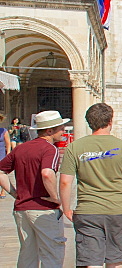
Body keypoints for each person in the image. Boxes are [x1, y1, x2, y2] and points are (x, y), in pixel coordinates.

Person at [60, 103, 122, 268]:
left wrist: (66, 207)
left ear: (89, 122)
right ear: (110, 121)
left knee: (91, 261)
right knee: (115, 260)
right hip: (117, 210)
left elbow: (65, 181)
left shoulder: (74, 148)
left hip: (88, 211)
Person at [0, 110, 68, 267]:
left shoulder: (21, 148)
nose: (64, 131)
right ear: (50, 131)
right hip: (43, 209)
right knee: (52, 253)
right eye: (61, 128)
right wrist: (54, 197)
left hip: (21, 209)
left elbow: (1, 171)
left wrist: (14, 193)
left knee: (28, 254)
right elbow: (47, 173)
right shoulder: (50, 149)